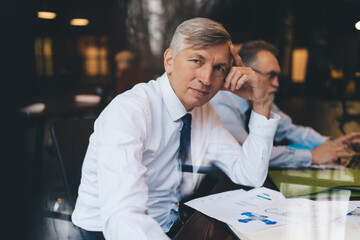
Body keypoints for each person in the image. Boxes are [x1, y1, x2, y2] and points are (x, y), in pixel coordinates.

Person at [71, 18, 280, 240]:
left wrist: (261, 105)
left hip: (169, 226)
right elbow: (124, 219)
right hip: (106, 232)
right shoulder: (130, 111)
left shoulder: (202, 111)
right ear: (169, 61)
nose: (207, 79)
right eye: (197, 61)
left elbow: (250, 175)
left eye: (219, 68)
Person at [211, 40, 360, 169]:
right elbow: (248, 152)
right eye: (271, 75)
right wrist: (311, 156)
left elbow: (291, 130)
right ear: (246, 73)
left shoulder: (259, 99)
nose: (277, 83)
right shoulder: (222, 103)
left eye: (278, 76)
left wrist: (330, 143)